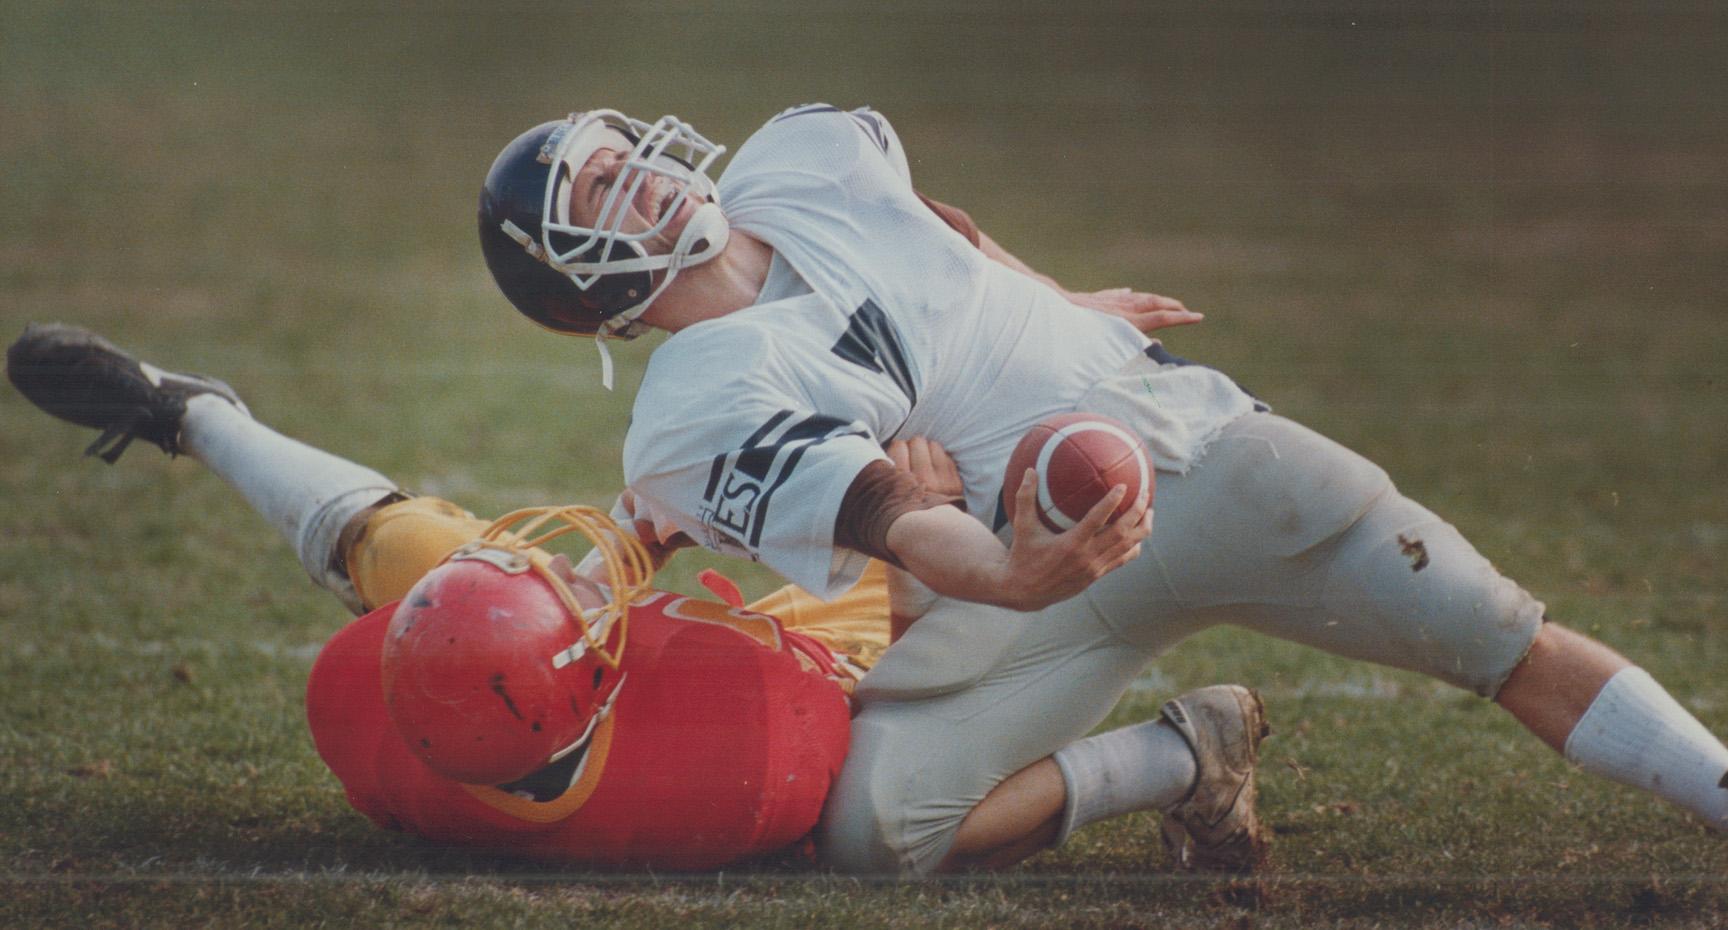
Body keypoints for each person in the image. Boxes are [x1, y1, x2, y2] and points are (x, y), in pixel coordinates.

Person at [472, 103, 1728, 883]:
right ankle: (1180, 758)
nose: (638, 174)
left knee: (1491, 628)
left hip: (1192, 447)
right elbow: (895, 518)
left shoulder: (805, 156)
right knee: (873, 829)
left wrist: (1057, 297)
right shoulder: (699, 401)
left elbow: (942, 244)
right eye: (598, 185)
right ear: (579, 282)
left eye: (618, 151)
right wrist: (1019, 571)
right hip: (1036, 556)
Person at [10, 319, 1249, 873]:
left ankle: (192, 412)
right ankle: (1181, 754)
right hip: (778, 671)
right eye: (583, 602)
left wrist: (601, 561)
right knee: (886, 830)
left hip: (516, 697)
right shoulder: (747, 759)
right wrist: (907, 530)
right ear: (600, 686)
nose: (578, 574)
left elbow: (412, 575)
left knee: (392, 542)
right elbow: (893, 663)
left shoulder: (370, 708)